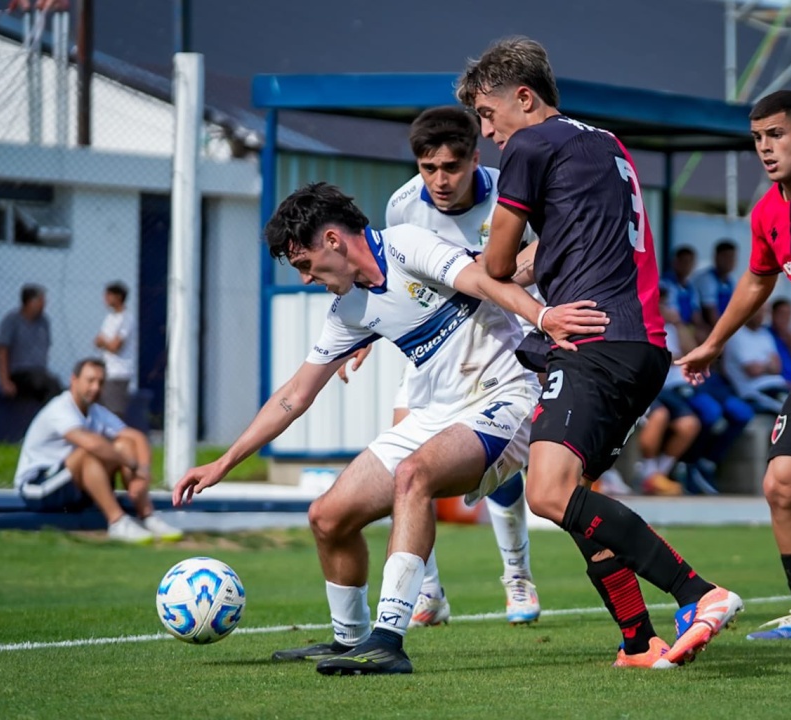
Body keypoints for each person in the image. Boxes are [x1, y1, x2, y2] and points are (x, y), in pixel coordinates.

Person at [173, 182, 608, 675]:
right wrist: (224, 462)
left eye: (305, 263)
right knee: (327, 516)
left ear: (333, 240)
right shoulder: (349, 310)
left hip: (507, 398)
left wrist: (542, 316)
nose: (307, 278)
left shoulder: (405, 244)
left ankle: (388, 640)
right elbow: (294, 395)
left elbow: (487, 282)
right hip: (437, 412)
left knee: (413, 476)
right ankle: (349, 639)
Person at [457, 35, 742, 668]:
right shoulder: (604, 142)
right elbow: (562, 245)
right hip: (640, 343)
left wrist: (479, 273)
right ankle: (639, 642)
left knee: (548, 493)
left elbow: (501, 263)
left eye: (487, 113)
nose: (487, 132)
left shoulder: (530, 144)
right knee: (581, 495)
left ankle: (700, 594)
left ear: (523, 98)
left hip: (593, 342)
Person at [337, 106, 543, 627]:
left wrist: (503, 275)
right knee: (405, 462)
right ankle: (428, 593)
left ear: (476, 157)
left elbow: (552, 244)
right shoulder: (404, 205)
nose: (440, 180)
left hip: (502, 340)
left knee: (498, 473)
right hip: (432, 346)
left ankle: (517, 575)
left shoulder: (511, 191)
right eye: (429, 168)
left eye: (452, 167)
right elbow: (391, 278)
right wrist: (366, 337)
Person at [680, 89, 791, 641]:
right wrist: (714, 343)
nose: (765, 147)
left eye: (776, 134)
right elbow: (759, 279)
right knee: (782, 484)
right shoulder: (766, 212)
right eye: (757, 138)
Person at [14, 357, 182, 543]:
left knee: (124, 444)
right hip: (38, 487)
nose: (95, 387)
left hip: (70, 486)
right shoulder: (60, 408)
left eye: (100, 382)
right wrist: (132, 465)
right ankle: (117, 522)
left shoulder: (95, 411)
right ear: (74, 380)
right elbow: (91, 444)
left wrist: (142, 473)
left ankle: (147, 515)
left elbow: (136, 437)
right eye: (90, 380)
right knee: (90, 452)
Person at [635, 288, 700, 496]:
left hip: (671, 388)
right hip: (645, 386)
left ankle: (657, 476)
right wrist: (670, 358)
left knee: (689, 424)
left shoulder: (672, 326)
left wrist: (679, 323)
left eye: (664, 302)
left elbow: (692, 353)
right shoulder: (639, 321)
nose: (662, 307)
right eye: (658, 302)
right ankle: (647, 473)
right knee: (659, 415)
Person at [0, 283, 62, 403]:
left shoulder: (44, 322)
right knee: (48, 384)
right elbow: (2, 351)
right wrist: (4, 381)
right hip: (20, 373)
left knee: (55, 385)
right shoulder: (12, 321)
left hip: (40, 372)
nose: (44, 305)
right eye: (41, 301)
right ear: (30, 302)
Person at [722, 305, 791, 414]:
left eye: (764, 312)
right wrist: (768, 366)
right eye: (758, 311)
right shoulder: (736, 335)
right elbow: (753, 370)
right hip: (755, 391)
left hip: (777, 385)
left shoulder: (765, 334)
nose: (761, 316)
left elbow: (777, 368)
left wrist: (763, 367)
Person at [94, 281, 136, 419]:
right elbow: (98, 341)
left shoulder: (126, 318)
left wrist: (105, 343)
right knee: (102, 408)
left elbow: (115, 346)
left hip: (119, 372)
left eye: (109, 295)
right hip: (107, 370)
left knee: (114, 410)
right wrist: (106, 343)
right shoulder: (110, 318)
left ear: (118, 297)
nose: (105, 299)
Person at [694, 240, 738, 332]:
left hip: (724, 327)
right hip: (706, 328)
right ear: (716, 257)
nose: (729, 261)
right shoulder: (706, 279)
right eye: (726, 257)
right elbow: (711, 314)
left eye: (732, 257)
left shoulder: (731, 281)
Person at [769, 298, 791, 384]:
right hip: (779, 383)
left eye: (789, 315)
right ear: (773, 314)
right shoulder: (765, 335)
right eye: (782, 314)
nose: (785, 318)